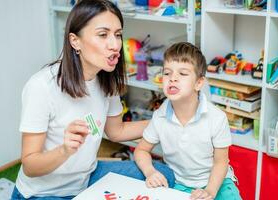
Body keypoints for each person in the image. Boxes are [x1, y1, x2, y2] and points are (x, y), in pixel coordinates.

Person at [11, 0, 175, 199]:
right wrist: (65, 150)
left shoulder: (107, 79)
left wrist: (168, 120)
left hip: (86, 178)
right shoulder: (41, 86)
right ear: (75, 41)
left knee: (164, 174)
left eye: (118, 34)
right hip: (42, 193)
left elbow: (116, 131)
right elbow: (29, 165)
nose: (115, 45)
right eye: (103, 34)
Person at [134, 42, 241, 200]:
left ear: (198, 83)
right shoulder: (160, 116)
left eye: (182, 74)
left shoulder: (217, 117)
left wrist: (210, 192)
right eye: (167, 73)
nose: (173, 79)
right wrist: (150, 172)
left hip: (217, 182)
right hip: (180, 183)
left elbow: (221, 162)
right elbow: (141, 150)